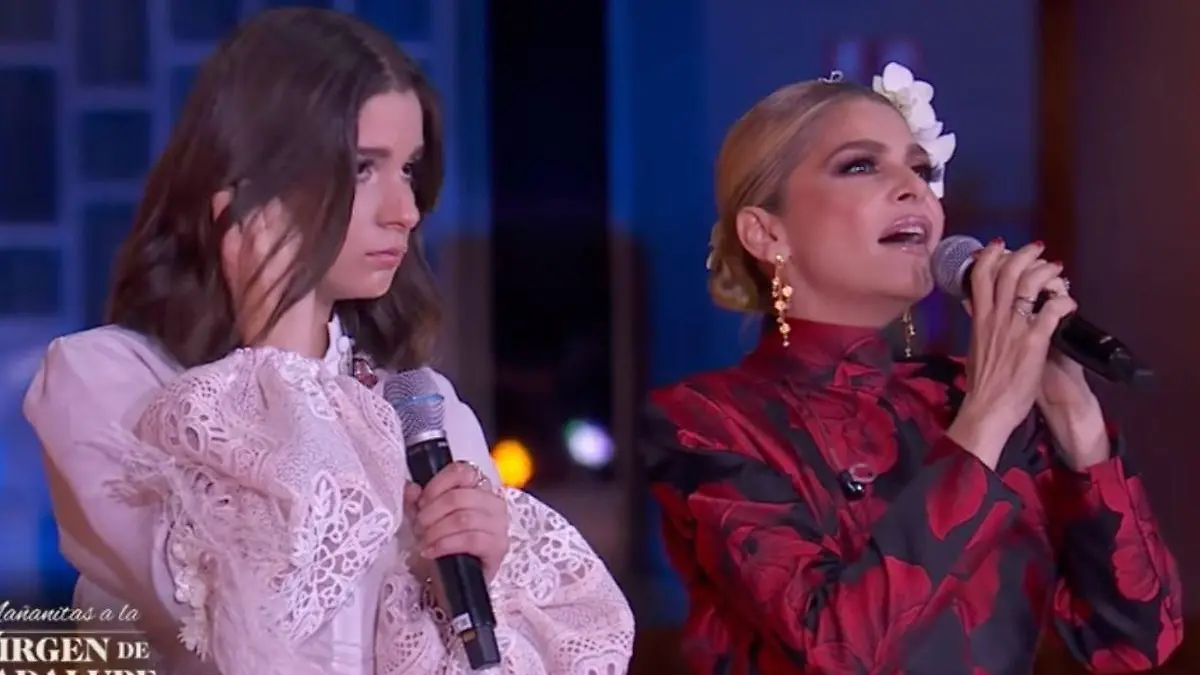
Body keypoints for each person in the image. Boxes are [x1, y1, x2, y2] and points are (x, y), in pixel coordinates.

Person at [23, 8, 633, 675]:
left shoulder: (420, 410)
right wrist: (280, 340)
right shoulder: (102, 380)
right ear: (256, 181)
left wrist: (458, 589)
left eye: (410, 170)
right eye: (364, 168)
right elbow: (237, 633)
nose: (404, 211)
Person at [638, 63, 1183, 674]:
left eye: (922, 170)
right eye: (860, 165)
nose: (914, 190)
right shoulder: (706, 420)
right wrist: (987, 416)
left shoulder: (965, 393)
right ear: (766, 233)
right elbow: (838, 650)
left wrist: (1073, 416)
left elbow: (1135, 643)